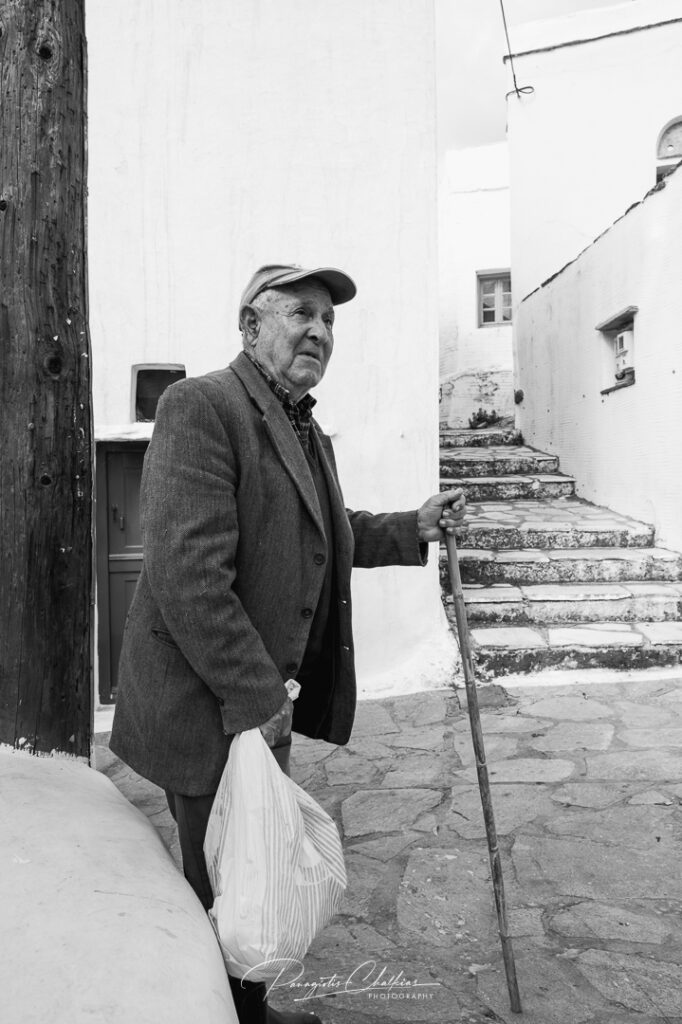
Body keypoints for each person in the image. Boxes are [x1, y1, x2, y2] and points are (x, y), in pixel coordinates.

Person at [110, 263, 465, 1024]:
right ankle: (230, 1014)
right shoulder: (201, 405)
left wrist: (414, 526)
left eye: (329, 321)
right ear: (251, 326)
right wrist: (258, 695)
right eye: (302, 313)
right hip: (207, 701)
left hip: (255, 699)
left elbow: (330, 533)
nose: (320, 332)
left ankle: (247, 1006)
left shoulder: (303, 425)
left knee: (253, 870)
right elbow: (187, 573)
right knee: (222, 879)